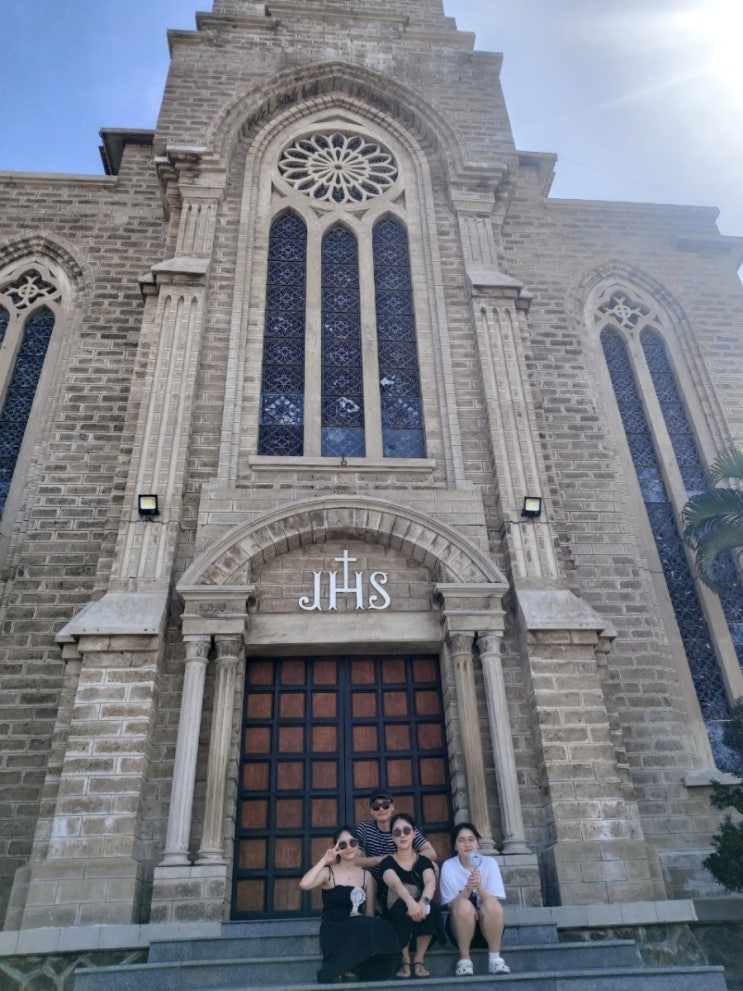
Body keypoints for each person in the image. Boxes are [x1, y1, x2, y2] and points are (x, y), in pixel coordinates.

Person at [299, 825, 401, 984]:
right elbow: (304, 884)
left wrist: (364, 925)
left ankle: (369, 969)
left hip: (356, 926)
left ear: (358, 845)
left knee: (384, 926)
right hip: (334, 927)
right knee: (363, 925)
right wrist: (324, 860)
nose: (348, 847)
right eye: (342, 844)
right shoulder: (328, 872)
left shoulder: (366, 876)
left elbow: (369, 914)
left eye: (353, 842)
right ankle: (338, 968)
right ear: (336, 848)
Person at [439, 822, 510, 976]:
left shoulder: (489, 863)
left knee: (491, 903)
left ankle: (495, 959)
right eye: (462, 840)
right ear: (455, 846)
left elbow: (495, 901)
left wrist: (479, 887)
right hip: (459, 928)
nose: (467, 844)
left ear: (477, 843)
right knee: (463, 905)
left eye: (471, 839)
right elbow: (450, 905)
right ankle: (465, 960)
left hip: (488, 927)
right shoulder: (449, 866)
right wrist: (468, 889)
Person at [379, 812, 445, 979]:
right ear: (392, 837)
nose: (402, 835)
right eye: (397, 832)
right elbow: (396, 884)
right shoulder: (387, 862)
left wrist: (423, 902)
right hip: (396, 915)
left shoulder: (422, 860)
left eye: (406, 831)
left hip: (419, 915)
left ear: (414, 834)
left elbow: (430, 882)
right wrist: (411, 903)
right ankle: (405, 959)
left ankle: (419, 959)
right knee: (401, 906)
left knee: (431, 907)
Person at [355, 789, 438, 882]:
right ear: (371, 810)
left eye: (385, 805)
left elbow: (431, 852)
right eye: (376, 806)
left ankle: (429, 893)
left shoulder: (402, 824)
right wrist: (381, 860)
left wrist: (403, 859)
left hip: (405, 875)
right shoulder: (365, 827)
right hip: (376, 879)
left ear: (392, 806)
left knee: (433, 866)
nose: (381, 809)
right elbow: (354, 860)